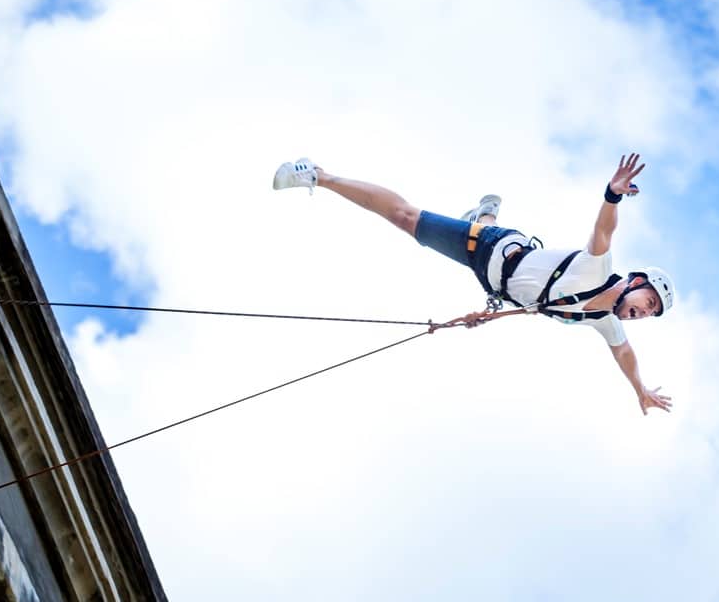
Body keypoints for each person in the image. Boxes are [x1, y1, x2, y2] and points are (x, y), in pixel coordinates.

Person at [273, 153, 674, 414]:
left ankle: (482, 214)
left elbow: (624, 355)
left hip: (493, 282)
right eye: (649, 300)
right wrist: (612, 195)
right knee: (406, 218)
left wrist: (639, 389)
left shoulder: (606, 321)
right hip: (492, 249)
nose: (645, 312)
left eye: (651, 314)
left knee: (473, 227)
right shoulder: (597, 268)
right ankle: (320, 175)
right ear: (636, 281)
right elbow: (603, 229)